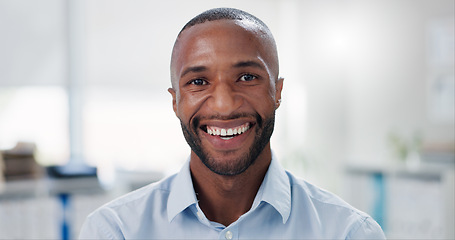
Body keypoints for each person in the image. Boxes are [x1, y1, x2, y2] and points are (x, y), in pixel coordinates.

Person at [79, 7, 386, 239]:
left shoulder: (348, 233)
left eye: (247, 77)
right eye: (199, 81)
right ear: (175, 101)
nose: (224, 105)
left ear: (277, 92)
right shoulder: (114, 231)